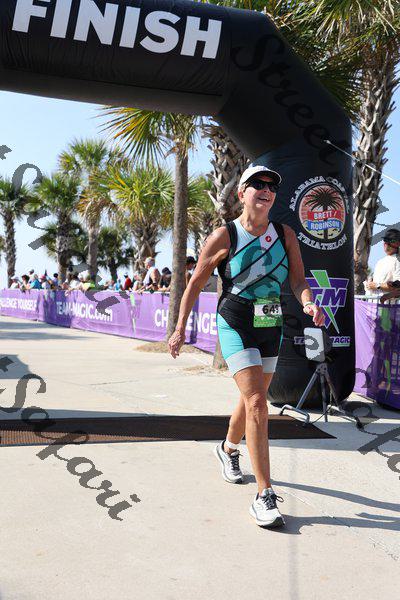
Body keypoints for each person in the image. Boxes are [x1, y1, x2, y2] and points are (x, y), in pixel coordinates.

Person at [168, 165, 325, 529]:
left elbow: (298, 280)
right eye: (257, 184)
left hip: (270, 321)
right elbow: (195, 284)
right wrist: (179, 328)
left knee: (252, 397)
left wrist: (308, 303)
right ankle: (264, 494)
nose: (266, 190)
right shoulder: (225, 235)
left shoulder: (285, 234)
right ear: (242, 193)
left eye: (271, 186)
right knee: (257, 402)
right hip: (235, 319)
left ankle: (227, 449)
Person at [364, 229, 400, 294]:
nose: (386, 244)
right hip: (373, 300)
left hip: (389, 300)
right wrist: (370, 284)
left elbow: (398, 287)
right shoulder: (380, 261)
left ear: (397, 244)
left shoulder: (398, 261)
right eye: (385, 241)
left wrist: (377, 285)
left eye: (390, 242)